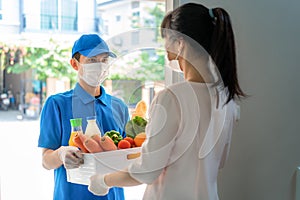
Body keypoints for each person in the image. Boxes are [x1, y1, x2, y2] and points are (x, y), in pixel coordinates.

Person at [88, 3, 246, 200]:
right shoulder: (227, 99)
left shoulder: (171, 97)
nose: (165, 50)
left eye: (166, 40)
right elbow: (217, 161)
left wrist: (102, 180)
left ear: (180, 43)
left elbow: (147, 171)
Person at [38, 34, 130, 200]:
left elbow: (127, 155)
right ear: (75, 64)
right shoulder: (57, 104)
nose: (100, 66)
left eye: (104, 60)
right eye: (92, 60)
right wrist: (60, 154)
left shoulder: (119, 107)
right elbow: (46, 161)